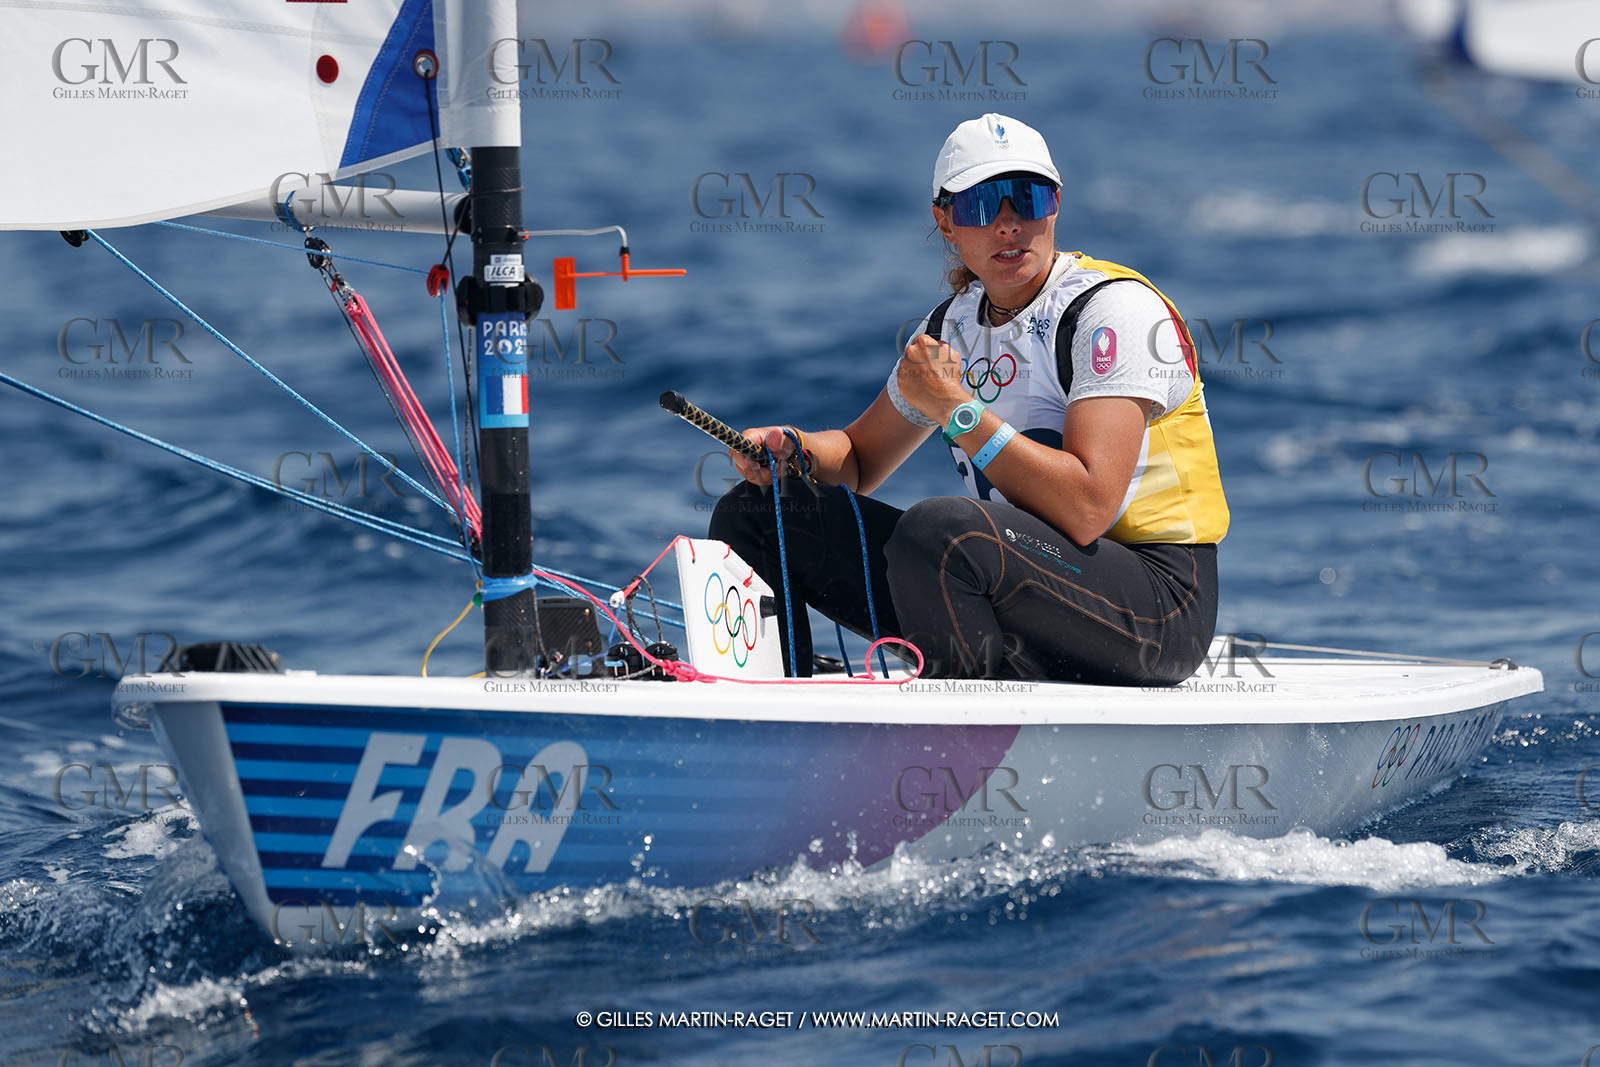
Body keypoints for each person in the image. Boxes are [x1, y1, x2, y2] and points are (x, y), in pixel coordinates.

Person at [708, 113, 1228, 684]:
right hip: (1011, 577)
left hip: (1158, 606)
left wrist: (956, 410)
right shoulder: (946, 329)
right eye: (981, 207)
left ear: (1054, 204)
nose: (1007, 225)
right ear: (946, 222)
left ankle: (951, 736)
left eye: (1025, 199)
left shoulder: (1111, 313)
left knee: (939, 532)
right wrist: (794, 449)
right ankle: (763, 700)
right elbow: (857, 461)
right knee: (761, 512)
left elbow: (1088, 509)